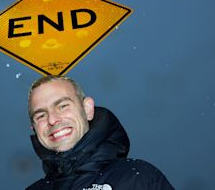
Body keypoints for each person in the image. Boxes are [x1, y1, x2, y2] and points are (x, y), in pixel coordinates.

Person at [26, 75, 174, 190]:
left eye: (63, 106)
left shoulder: (137, 178)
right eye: (41, 115)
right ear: (34, 128)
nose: (52, 119)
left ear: (88, 109)